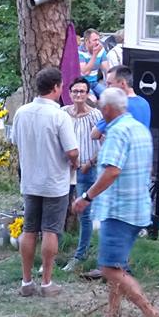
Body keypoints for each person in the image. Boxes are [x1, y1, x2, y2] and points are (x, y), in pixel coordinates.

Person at [72, 87, 159, 317]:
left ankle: (152, 313)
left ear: (106, 110)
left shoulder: (115, 132)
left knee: (109, 267)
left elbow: (112, 171)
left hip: (119, 211)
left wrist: (86, 197)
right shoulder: (139, 129)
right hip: (138, 208)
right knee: (118, 264)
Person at [9, 67, 79, 297]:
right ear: (57, 87)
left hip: (30, 179)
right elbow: (71, 150)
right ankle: (47, 282)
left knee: (29, 229)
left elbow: (15, 140)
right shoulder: (59, 115)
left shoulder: (22, 112)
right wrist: (75, 162)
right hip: (54, 181)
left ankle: (26, 281)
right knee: (51, 230)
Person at [61, 78, 102, 272]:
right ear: (70, 93)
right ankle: (55, 251)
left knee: (84, 213)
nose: (78, 95)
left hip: (86, 167)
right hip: (64, 167)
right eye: (75, 91)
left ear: (87, 94)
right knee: (60, 208)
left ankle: (81, 254)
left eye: (82, 91)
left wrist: (90, 162)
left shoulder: (95, 115)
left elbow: (104, 142)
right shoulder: (63, 113)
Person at [79, 28, 107, 98]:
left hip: (94, 82)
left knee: (108, 96)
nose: (97, 42)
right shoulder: (80, 52)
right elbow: (85, 72)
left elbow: (106, 69)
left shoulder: (101, 50)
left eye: (98, 40)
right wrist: (94, 55)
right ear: (86, 41)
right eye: (95, 40)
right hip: (82, 83)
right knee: (92, 100)